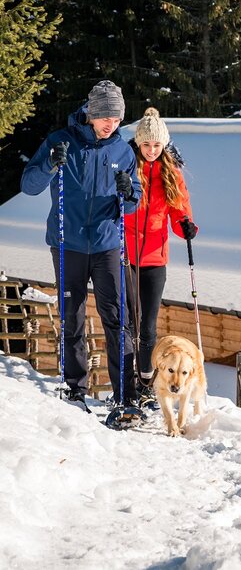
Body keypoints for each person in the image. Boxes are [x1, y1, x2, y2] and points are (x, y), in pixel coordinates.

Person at [21, 80, 141, 408]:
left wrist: (128, 192)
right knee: (71, 316)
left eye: (116, 119)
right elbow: (29, 185)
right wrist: (49, 164)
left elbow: (133, 203)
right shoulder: (60, 141)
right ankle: (75, 388)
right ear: (91, 112)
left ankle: (126, 395)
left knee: (117, 318)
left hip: (106, 245)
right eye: (105, 117)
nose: (110, 124)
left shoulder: (123, 150)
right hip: (67, 243)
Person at [124, 108, 197, 406]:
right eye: (146, 145)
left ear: (163, 145)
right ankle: (124, 381)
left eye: (156, 145)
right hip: (124, 256)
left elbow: (181, 211)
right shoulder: (127, 168)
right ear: (138, 144)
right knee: (129, 323)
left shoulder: (172, 174)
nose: (151, 150)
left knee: (149, 327)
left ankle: (144, 381)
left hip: (155, 258)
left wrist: (187, 226)